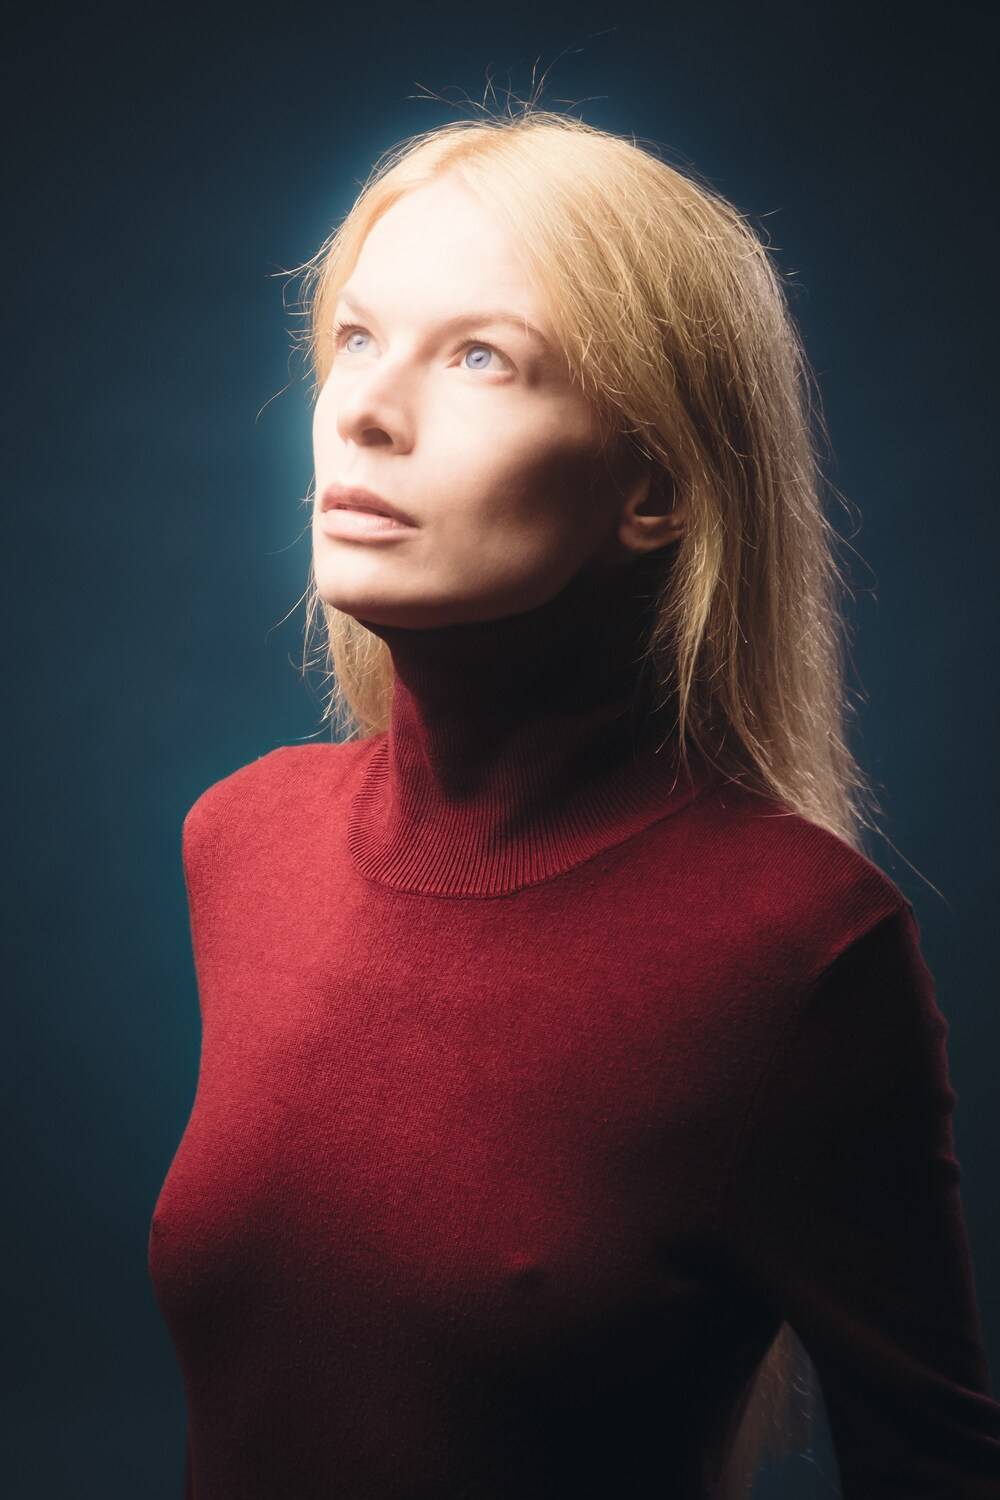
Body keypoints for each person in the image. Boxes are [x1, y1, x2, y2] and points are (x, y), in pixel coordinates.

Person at [148, 107, 1000, 1498]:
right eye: (356, 338)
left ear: (652, 488)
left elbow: (935, 1461)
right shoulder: (243, 840)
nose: (364, 411)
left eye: (481, 356)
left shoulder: (795, 946)